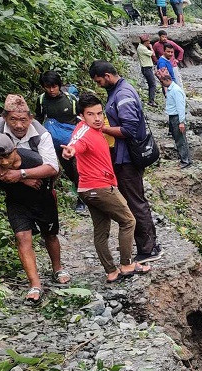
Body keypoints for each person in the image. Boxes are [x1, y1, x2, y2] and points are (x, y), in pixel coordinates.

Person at [63, 93, 150, 282]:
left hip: (88, 190)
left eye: (99, 113)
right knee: (128, 221)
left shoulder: (93, 129)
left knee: (101, 231)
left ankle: (111, 272)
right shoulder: (84, 133)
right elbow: (76, 144)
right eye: (90, 114)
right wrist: (71, 151)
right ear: (81, 116)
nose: (97, 118)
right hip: (100, 188)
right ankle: (126, 265)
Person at [0, 132, 66, 302]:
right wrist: (22, 180)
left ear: (15, 149)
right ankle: (35, 284)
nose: (4, 162)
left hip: (42, 199)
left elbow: (54, 170)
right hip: (16, 202)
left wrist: (28, 175)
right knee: (22, 237)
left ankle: (58, 267)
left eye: (7, 156)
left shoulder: (33, 159)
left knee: (50, 234)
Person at [89, 60, 163, 263]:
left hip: (128, 159)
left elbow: (129, 130)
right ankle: (145, 244)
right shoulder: (118, 91)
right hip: (123, 157)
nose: (99, 85)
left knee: (135, 202)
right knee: (133, 200)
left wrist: (100, 128)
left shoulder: (123, 95)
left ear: (107, 75)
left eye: (99, 81)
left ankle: (149, 249)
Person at [36, 70, 86, 215]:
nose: (52, 90)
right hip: (56, 142)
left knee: (78, 168)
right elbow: (39, 121)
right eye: (48, 87)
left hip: (74, 140)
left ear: (59, 85)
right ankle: (80, 190)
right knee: (69, 170)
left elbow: (81, 118)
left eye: (54, 86)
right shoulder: (41, 101)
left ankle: (82, 200)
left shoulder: (71, 100)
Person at [157, 69, 191, 168]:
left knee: (181, 140)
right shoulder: (171, 89)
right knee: (178, 139)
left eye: (162, 82)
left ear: (167, 80)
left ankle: (185, 161)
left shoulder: (176, 90)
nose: (162, 84)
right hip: (172, 117)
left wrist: (181, 122)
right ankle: (185, 159)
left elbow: (180, 107)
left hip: (177, 118)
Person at [137, 35, 158, 107]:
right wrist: (151, 47)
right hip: (146, 68)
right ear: (145, 42)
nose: (149, 42)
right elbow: (153, 54)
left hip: (147, 68)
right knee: (153, 84)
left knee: (151, 84)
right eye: (148, 41)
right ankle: (151, 101)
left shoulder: (142, 47)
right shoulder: (142, 48)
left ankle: (151, 99)